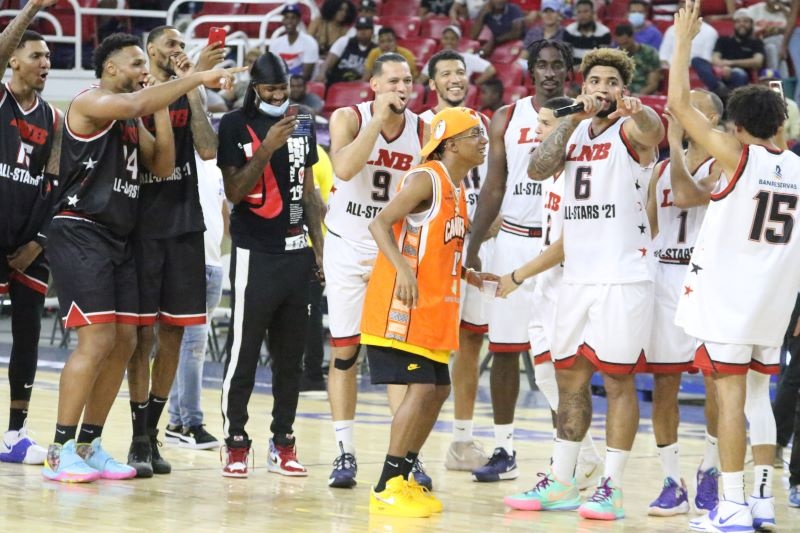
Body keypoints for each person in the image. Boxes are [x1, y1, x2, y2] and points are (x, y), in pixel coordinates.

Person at [42, 32, 239, 483]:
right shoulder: (91, 100)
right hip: (81, 228)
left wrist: (168, 105)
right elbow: (133, 104)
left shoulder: (138, 116)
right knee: (96, 341)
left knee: (127, 342)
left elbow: (164, 164)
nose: (141, 72)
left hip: (120, 236)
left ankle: (89, 443)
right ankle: (59, 447)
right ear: (111, 69)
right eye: (134, 65)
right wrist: (196, 79)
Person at [508, 46, 664, 519]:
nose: (602, 89)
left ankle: (612, 488)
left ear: (623, 90)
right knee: (569, 380)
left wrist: (637, 112)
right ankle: (561, 481)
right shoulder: (571, 129)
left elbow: (653, 132)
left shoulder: (631, 127)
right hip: (576, 276)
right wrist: (571, 121)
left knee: (617, 382)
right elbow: (537, 168)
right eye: (595, 81)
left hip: (623, 276)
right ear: (583, 87)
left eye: (612, 83)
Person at [669, 2, 800, 530]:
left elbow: (679, 103)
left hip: (728, 302)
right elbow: (777, 133)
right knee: (756, 400)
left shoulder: (738, 157)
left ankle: (731, 504)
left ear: (739, 129)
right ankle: (765, 501)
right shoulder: (795, 167)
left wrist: (683, 42)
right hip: (772, 306)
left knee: (726, 403)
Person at [466, 39, 604, 485]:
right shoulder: (507, 117)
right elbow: (492, 188)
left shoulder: (582, 120)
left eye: (556, 65)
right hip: (511, 241)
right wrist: (470, 248)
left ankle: (565, 452)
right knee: (504, 351)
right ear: (529, 70)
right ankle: (504, 446)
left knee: (558, 357)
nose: (548, 72)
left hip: (561, 249)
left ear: (568, 70)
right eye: (541, 65)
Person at [364, 106, 490, 517]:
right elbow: (380, 223)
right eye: (475, 134)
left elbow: (441, 246)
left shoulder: (459, 187)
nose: (483, 141)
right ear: (451, 143)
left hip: (435, 310)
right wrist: (401, 267)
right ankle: (386, 484)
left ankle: (404, 476)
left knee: (439, 390)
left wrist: (467, 274)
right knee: (420, 391)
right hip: (402, 309)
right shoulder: (426, 179)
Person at [217, 52, 325, 479]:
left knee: (290, 358)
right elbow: (235, 191)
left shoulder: (303, 123)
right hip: (254, 253)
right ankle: (236, 443)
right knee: (243, 354)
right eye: (271, 90)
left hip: (297, 253)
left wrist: (320, 250)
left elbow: (309, 192)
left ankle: (283, 441)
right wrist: (267, 148)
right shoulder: (232, 125)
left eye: (284, 89)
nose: (279, 96)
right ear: (255, 89)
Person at [125, 25, 224, 478]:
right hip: (142, 225)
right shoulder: (134, 93)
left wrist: (197, 88)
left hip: (185, 224)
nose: (180, 51)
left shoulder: (189, 91)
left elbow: (207, 149)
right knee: (142, 339)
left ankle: (151, 429)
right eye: (171, 45)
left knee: (174, 335)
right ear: (150, 52)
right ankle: (136, 437)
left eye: (184, 46)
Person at [324, 53, 426, 489]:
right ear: (373, 85)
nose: (402, 89)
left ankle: (404, 457)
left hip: (393, 250)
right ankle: (344, 452)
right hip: (347, 245)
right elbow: (344, 168)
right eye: (393, 82)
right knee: (346, 352)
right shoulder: (348, 116)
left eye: (407, 82)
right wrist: (376, 121)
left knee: (397, 357)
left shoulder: (423, 128)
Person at [643, 89, 724, 517]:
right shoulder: (658, 170)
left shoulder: (725, 165)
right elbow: (649, 229)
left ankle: (710, 471)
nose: (677, 112)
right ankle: (671, 481)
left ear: (709, 119)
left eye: (689, 108)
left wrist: (674, 142)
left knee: (715, 383)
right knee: (663, 385)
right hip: (662, 280)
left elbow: (689, 194)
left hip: (704, 281)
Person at [419, 50, 491, 472]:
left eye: (460, 72)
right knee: (429, 346)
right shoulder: (423, 125)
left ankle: (461, 442)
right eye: (445, 73)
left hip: (472, 241)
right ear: (432, 83)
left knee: (470, 341)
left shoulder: (478, 124)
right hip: (434, 244)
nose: (454, 78)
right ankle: (413, 449)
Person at [0, 1, 60, 466]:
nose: (46, 63)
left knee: (27, 335)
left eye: (48, 57)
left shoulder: (54, 119)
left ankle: (14, 434)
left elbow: (58, 186)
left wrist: (37, 242)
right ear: (14, 59)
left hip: (28, 242)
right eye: (37, 55)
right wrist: (33, 8)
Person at [164, 153, 229, 450]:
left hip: (213, 263)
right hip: (189, 262)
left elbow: (222, 213)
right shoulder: (181, 157)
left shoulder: (215, 165)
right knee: (193, 346)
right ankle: (192, 423)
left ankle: (176, 422)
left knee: (189, 346)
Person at [697, 8, 765, 97]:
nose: (742, 24)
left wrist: (730, 64)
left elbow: (757, 61)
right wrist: (723, 69)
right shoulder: (723, 40)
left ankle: (724, 94)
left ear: (751, 24)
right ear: (733, 24)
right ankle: (718, 88)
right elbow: (715, 59)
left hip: (741, 76)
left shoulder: (756, 42)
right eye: (738, 21)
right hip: (720, 74)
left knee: (738, 73)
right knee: (697, 60)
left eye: (745, 21)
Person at [416, 25, 496, 86]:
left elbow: (490, 70)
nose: (449, 42)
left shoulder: (467, 58)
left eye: (453, 39)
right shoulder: (434, 60)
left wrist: (473, 85)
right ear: (441, 40)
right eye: (446, 38)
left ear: (458, 41)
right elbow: (421, 80)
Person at [315, 16, 376, 85]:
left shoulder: (375, 50)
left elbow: (367, 79)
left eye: (366, 28)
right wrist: (322, 73)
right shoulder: (344, 41)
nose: (363, 32)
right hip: (335, 82)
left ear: (372, 31)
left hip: (357, 86)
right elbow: (327, 63)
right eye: (360, 29)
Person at [658, 0, 717, 70]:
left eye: (691, 11)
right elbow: (663, 55)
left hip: (695, 68)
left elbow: (706, 59)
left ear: (698, 12)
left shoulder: (710, 31)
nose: (687, 14)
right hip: (671, 68)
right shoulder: (671, 29)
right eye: (684, 11)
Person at [269, 4, 320, 82]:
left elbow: (306, 75)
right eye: (286, 17)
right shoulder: (275, 43)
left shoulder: (310, 42)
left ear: (299, 20)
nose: (289, 21)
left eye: (293, 18)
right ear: (283, 20)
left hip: (303, 86)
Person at [614, 22, 662, 95]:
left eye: (626, 43)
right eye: (621, 44)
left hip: (643, 94)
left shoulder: (650, 53)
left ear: (632, 37)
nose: (624, 47)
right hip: (621, 93)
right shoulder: (616, 54)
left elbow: (653, 83)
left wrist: (638, 95)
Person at [562, 0, 611, 65]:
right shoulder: (569, 31)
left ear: (593, 13)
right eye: (579, 12)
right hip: (573, 71)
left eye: (586, 11)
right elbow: (566, 58)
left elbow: (603, 60)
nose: (582, 15)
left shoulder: (604, 32)